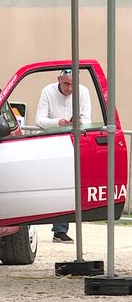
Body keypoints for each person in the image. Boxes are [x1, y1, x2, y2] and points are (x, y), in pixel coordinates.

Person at [35, 68, 91, 243]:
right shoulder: (47, 91)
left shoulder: (83, 91)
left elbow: (87, 119)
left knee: (67, 184)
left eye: (73, 84)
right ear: (58, 79)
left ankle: (60, 229)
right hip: (51, 141)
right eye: (66, 83)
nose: (70, 88)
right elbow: (40, 120)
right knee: (49, 184)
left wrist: (78, 123)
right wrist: (57, 122)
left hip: (72, 142)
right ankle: (33, 223)